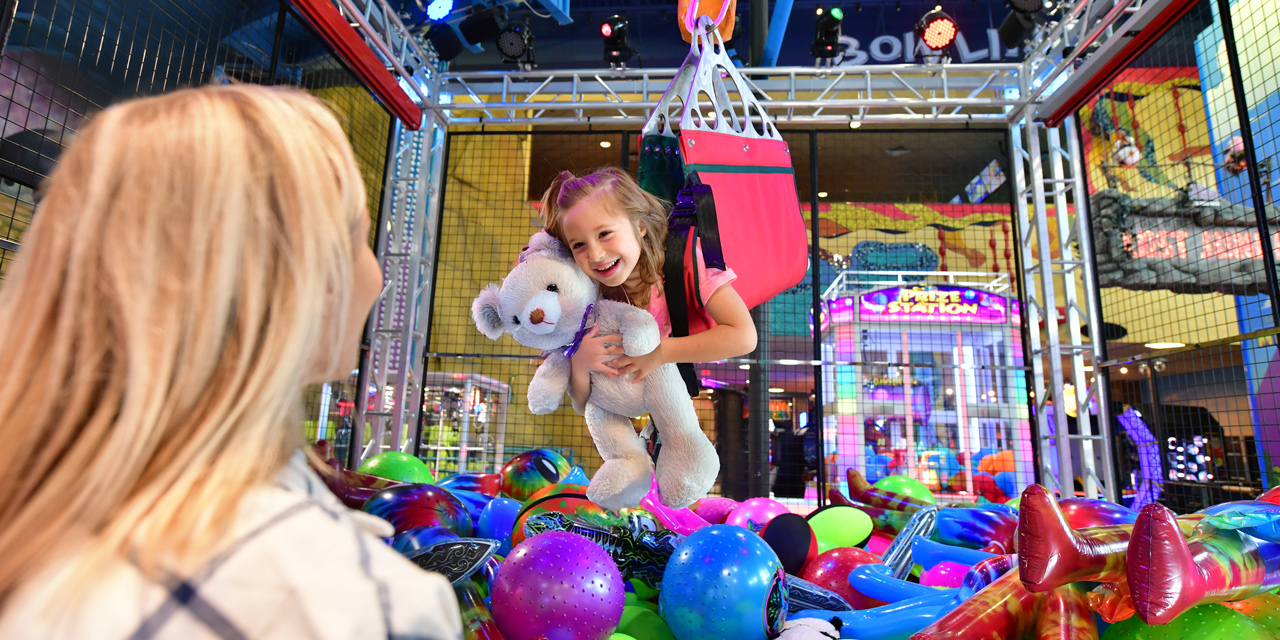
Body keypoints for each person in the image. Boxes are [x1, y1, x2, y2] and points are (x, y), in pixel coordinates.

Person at [0, 85, 462, 638]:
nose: (379, 276)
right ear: (294, 282)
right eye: (362, 238)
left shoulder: (38, 510)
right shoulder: (360, 604)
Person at [537, 166, 757, 413]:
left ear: (639, 226)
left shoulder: (684, 262)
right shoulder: (588, 292)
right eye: (579, 245)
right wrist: (579, 362)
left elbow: (744, 337)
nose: (596, 255)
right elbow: (582, 403)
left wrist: (659, 353)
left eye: (605, 234)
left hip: (671, 401)